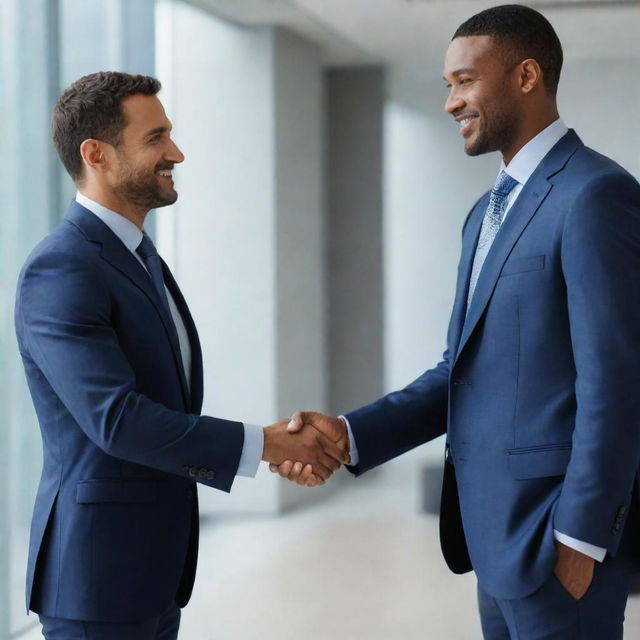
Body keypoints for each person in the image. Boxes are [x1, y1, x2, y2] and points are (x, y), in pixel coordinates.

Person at [273, 5, 640, 638]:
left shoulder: (595, 195)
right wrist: (349, 435)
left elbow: (617, 382)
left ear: (526, 75)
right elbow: (461, 371)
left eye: (464, 81)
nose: (451, 103)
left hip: (556, 544)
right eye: (447, 86)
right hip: (494, 545)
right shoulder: (484, 214)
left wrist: (580, 540)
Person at [14, 71, 348, 640]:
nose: (177, 152)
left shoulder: (140, 257)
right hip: (98, 579)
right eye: (155, 138)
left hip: (151, 570)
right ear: (96, 154)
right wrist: (267, 443)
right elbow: (116, 420)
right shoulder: (63, 267)